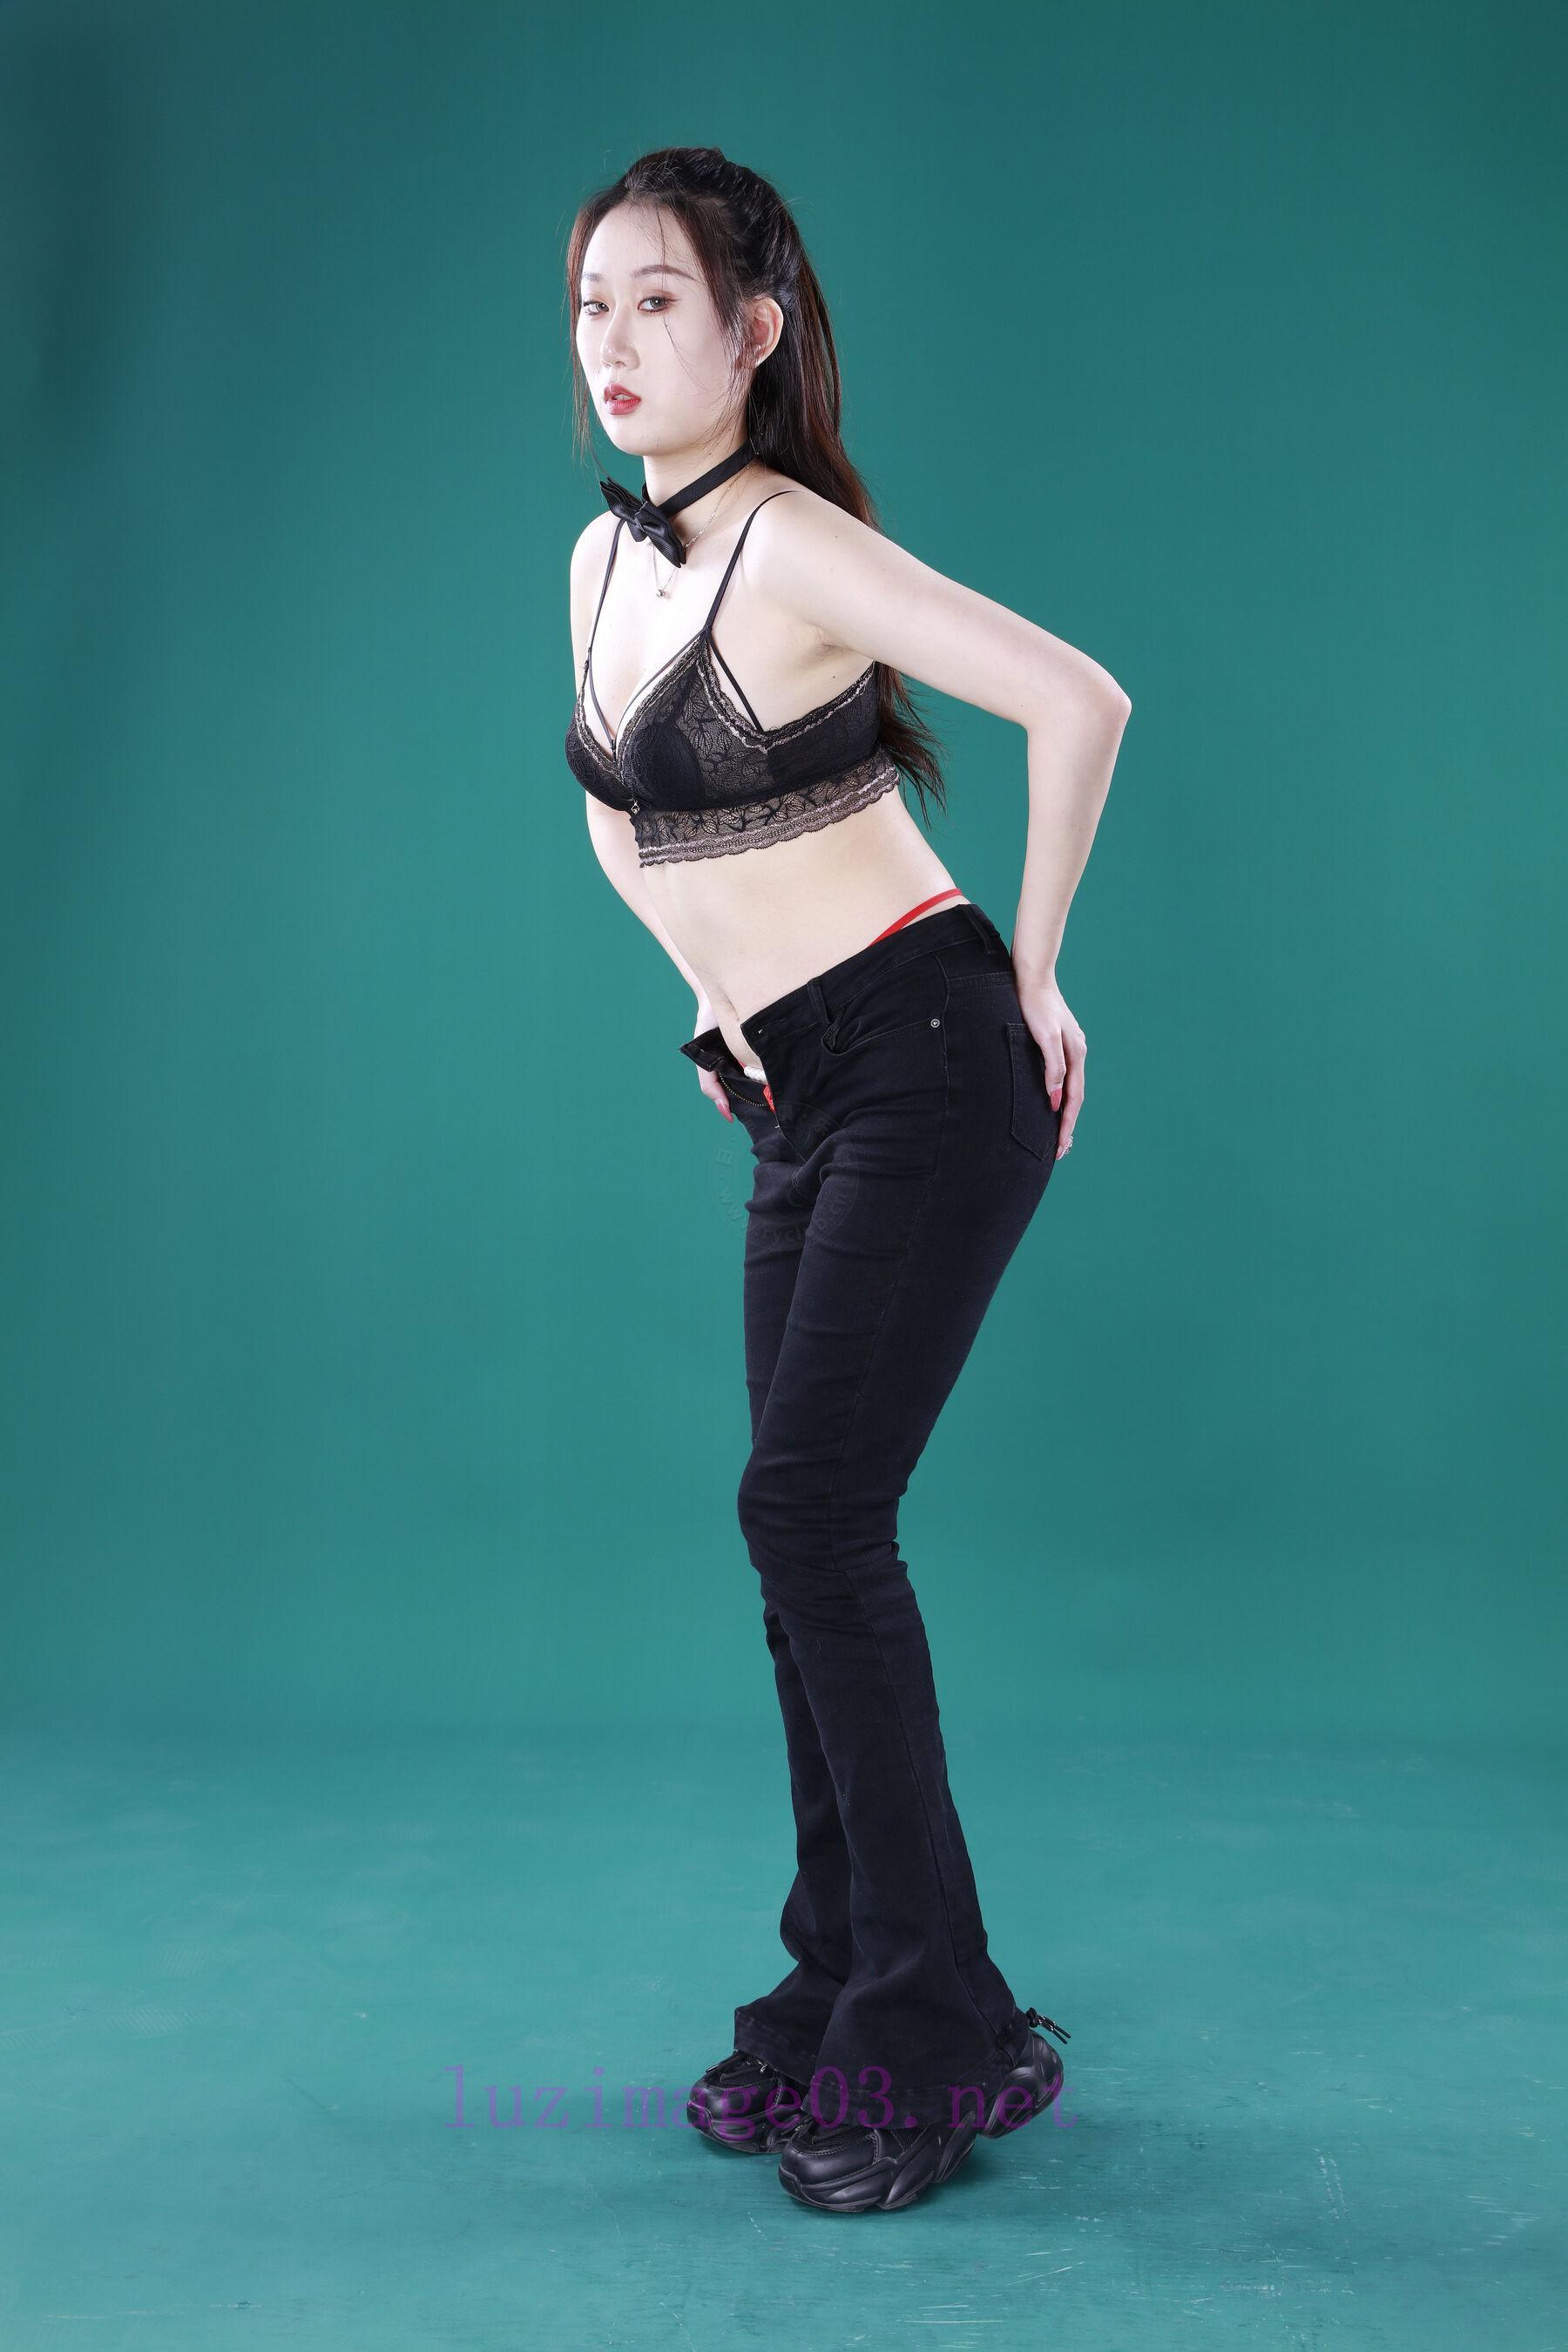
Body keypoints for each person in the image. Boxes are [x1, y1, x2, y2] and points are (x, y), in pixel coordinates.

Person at [563, 147, 1130, 2215]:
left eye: (656, 300)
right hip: (803, 1081)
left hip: (930, 1054)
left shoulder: (791, 543)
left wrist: (1037, 975)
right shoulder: (602, 559)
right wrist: (717, 1010)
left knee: (810, 1514)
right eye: (591, 305)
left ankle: (934, 2038)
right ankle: (849, 1990)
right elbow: (626, 813)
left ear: (753, 330)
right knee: (797, 1546)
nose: (615, 342)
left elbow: (1077, 701)